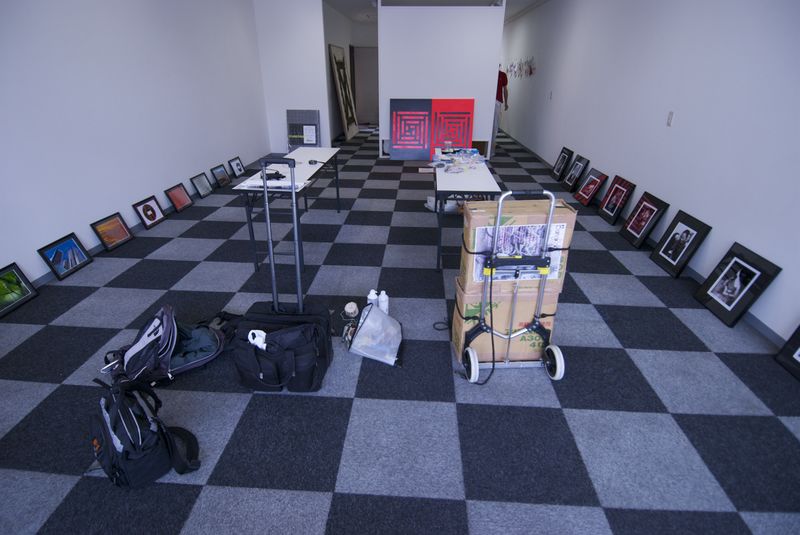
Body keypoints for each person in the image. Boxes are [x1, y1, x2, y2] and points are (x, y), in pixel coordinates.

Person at [489, 65, 509, 159]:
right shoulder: (489, 73)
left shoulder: (502, 75)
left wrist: (506, 103)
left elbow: (505, 89)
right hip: (489, 100)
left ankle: (491, 149)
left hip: (497, 101)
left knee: (494, 125)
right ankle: (488, 148)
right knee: (491, 125)